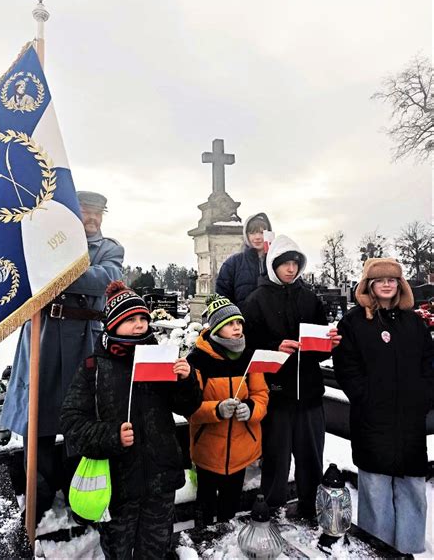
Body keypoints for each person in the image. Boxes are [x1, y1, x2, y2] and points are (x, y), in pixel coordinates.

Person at [0, 190, 124, 522]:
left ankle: (79, 496)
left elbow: (103, 280)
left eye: (99, 212)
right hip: (42, 335)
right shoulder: (48, 240)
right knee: (36, 422)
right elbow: (26, 273)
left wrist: (57, 271)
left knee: (81, 421)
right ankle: (37, 495)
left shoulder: (110, 248)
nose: (93, 217)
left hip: (85, 340)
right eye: (86, 211)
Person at [61, 281, 202, 559]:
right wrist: (111, 436)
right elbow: (71, 422)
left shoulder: (160, 359)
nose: (139, 325)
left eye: (142, 318)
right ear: (113, 324)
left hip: (160, 482)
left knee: (155, 551)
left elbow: (188, 407)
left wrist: (187, 381)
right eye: (130, 319)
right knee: (119, 552)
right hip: (117, 487)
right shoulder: (94, 367)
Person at [333, 258, 434, 554]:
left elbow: (430, 362)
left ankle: (409, 545)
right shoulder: (353, 323)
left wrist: (424, 396)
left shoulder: (413, 322)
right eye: (380, 280)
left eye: (392, 280)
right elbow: (346, 367)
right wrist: (365, 396)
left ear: (400, 285)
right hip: (372, 418)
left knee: (412, 486)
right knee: (375, 487)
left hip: (409, 419)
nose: (387, 284)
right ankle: (376, 547)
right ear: (370, 286)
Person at [242, 234, 341, 518]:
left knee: (311, 457)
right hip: (277, 396)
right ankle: (270, 510)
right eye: (285, 263)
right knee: (276, 459)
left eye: (295, 264)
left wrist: (329, 345)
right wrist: (275, 348)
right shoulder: (256, 301)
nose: (291, 269)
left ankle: (310, 507)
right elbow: (246, 349)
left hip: (309, 395)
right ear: (274, 265)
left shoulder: (309, 299)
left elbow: (320, 349)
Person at [186, 295, 268, 525]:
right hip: (208, 450)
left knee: (229, 509)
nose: (237, 328)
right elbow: (190, 408)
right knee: (205, 506)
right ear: (217, 328)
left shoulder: (250, 357)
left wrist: (251, 409)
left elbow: (261, 395)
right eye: (230, 323)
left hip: (242, 449)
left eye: (239, 323)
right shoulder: (198, 360)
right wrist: (217, 410)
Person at [216, 212, 272, 307]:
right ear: (246, 235)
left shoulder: (277, 262)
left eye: (262, 232)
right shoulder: (233, 263)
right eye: (252, 233)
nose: (257, 237)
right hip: (243, 320)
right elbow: (223, 298)